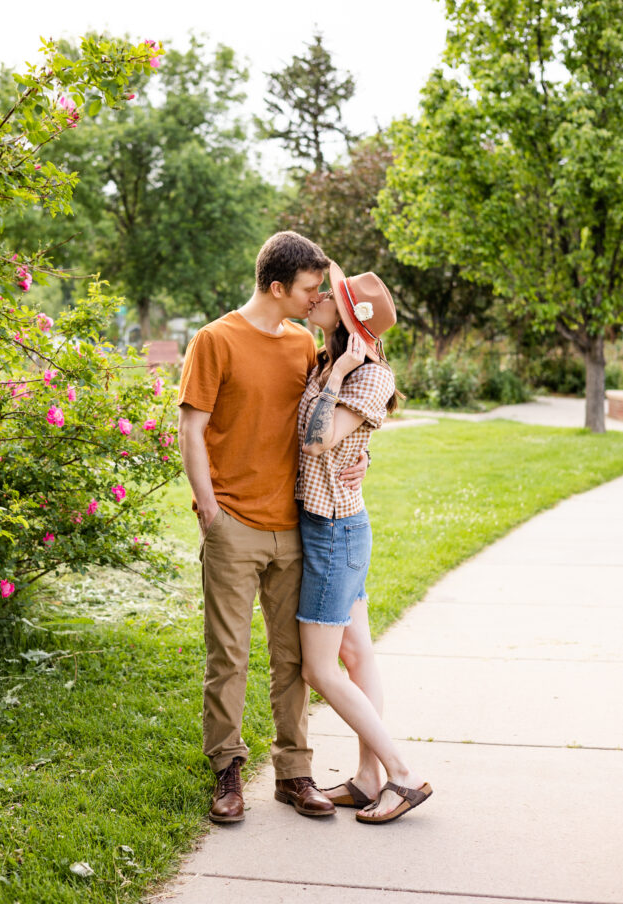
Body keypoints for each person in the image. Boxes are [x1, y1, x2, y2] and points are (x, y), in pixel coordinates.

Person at [177, 232, 368, 825]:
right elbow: (192, 428)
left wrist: (357, 459)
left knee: (293, 661)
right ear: (277, 286)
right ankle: (228, 770)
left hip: (298, 525)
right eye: (311, 289)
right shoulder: (215, 340)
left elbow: (321, 426)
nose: (318, 299)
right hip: (234, 521)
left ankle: (294, 773)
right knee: (228, 655)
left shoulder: (303, 344)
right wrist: (209, 507)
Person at [296, 261, 433, 825]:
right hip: (331, 525)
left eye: (331, 294)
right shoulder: (329, 359)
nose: (320, 296)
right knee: (356, 655)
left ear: (348, 318)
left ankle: (402, 775)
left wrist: (342, 369)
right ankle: (369, 779)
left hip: (335, 532)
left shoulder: (366, 373)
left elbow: (317, 441)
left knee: (320, 670)